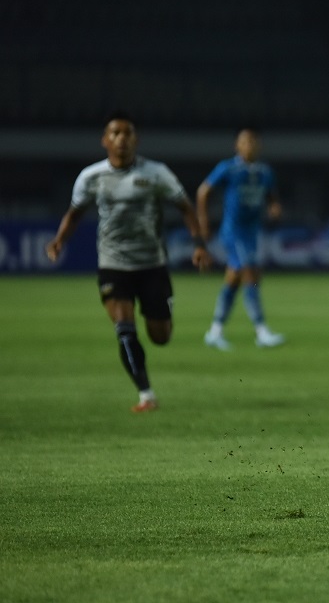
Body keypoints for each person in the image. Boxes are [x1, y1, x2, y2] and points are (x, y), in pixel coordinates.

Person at [45, 112, 212, 412]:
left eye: (127, 133)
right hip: (113, 262)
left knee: (160, 336)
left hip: (151, 263)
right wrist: (60, 240)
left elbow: (186, 208)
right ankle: (146, 394)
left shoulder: (156, 173)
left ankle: (163, 311)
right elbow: (75, 213)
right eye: (115, 133)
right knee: (124, 329)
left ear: (136, 140)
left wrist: (198, 244)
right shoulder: (91, 177)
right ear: (105, 140)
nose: (121, 138)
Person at [196, 128, 285, 350]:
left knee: (234, 279)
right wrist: (204, 223)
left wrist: (275, 207)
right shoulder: (229, 168)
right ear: (237, 146)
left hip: (252, 232)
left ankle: (215, 331)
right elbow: (203, 192)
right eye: (245, 142)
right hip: (233, 231)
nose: (249, 146)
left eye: (253, 142)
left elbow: (272, 195)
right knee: (251, 273)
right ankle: (261, 330)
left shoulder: (265, 172)